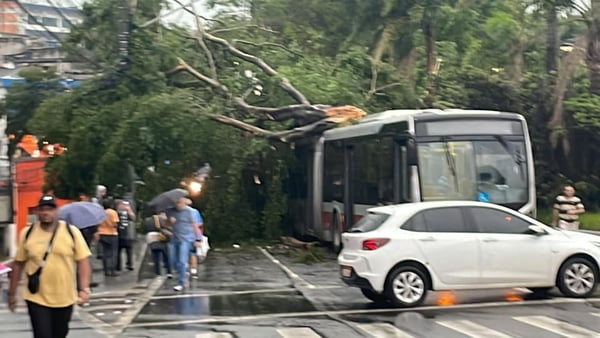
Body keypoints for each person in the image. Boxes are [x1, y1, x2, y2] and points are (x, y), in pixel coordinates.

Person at [8, 195, 91, 338]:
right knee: (42, 334)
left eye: (50, 209)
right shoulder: (27, 234)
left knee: (60, 334)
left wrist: (84, 289)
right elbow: (18, 263)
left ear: (56, 211)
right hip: (36, 297)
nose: (46, 213)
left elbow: (82, 261)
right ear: (37, 212)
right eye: (43, 209)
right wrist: (12, 293)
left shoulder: (71, 232)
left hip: (65, 297)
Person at [166, 197, 199, 291]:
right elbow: (165, 224)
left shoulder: (189, 211)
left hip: (186, 238)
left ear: (184, 202)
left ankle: (181, 282)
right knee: (172, 260)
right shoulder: (170, 211)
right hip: (174, 238)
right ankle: (183, 272)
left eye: (180, 202)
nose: (178, 205)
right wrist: (169, 221)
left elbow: (195, 225)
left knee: (181, 260)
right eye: (176, 203)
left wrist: (197, 239)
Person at [144, 210, 172, 278]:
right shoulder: (160, 219)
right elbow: (165, 227)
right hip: (160, 237)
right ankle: (168, 272)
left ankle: (158, 273)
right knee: (166, 255)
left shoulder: (147, 220)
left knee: (155, 256)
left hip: (150, 237)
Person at [96, 199, 120, 276]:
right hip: (112, 233)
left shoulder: (100, 212)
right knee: (113, 252)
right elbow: (115, 224)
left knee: (105, 253)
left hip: (102, 233)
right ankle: (112, 270)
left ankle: (106, 270)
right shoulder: (113, 212)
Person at [115, 200, 135, 271]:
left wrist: (129, 210)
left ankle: (129, 264)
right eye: (122, 205)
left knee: (128, 251)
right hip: (119, 234)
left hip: (127, 234)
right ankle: (118, 266)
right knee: (118, 251)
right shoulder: (116, 213)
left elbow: (133, 218)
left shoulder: (126, 213)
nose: (124, 206)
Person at [186, 199, 203, 278]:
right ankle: (193, 270)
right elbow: (200, 224)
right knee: (193, 253)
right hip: (194, 235)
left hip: (184, 235)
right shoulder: (195, 212)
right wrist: (199, 237)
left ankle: (186, 269)